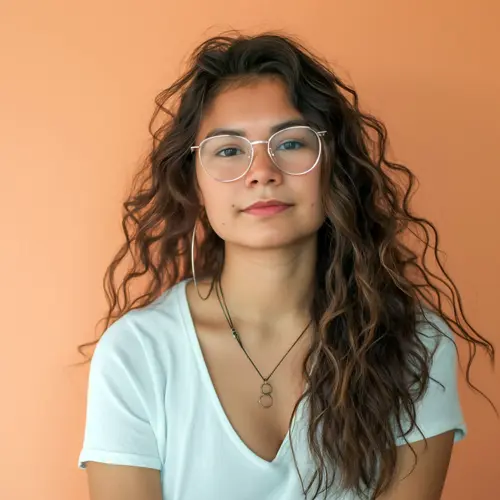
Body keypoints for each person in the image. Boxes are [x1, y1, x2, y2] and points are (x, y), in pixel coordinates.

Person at [77, 32, 494, 500]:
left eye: (291, 143)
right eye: (229, 150)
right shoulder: (137, 355)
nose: (262, 171)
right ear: (195, 184)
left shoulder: (417, 345)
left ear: (334, 166)